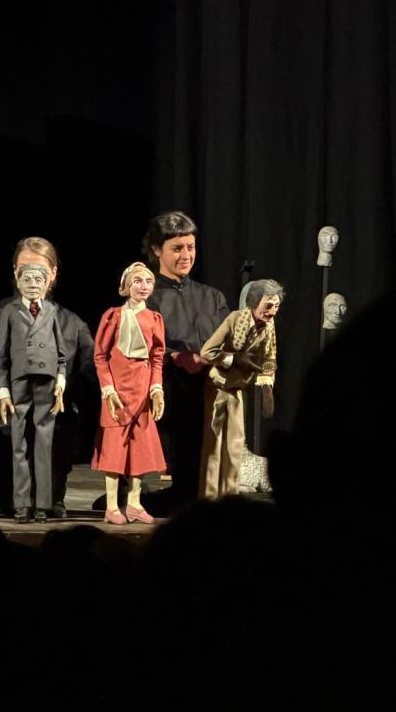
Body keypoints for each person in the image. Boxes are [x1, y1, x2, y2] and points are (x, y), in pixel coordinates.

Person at [0, 237, 93, 518]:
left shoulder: (70, 321)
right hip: (6, 418)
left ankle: (48, 495)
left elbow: (91, 367)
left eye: (41, 270)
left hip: (51, 417)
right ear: (16, 273)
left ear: (53, 274)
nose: (33, 276)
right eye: (25, 269)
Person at [141, 211, 229, 514]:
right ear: (156, 250)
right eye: (177, 248)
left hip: (209, 392)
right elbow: (136, 346)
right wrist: (174, 356)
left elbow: (228, 341)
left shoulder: (212, 297)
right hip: (169, 391)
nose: (186, 255)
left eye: (190, 247)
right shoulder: (147, 298)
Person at [91, 262, 166, 525]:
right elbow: (100, 356)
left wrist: (157, 389)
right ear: (126, 285)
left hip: (142, 391)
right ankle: (112, 506)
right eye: (137, 281)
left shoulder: (154, 318)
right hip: (117, 394)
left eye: (148, 281)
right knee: (114, 448)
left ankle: (134, 503)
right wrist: (108, 390)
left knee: (141, 448)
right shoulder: (113, 316)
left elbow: (157, 358)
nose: (143, 286)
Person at [199, 279, 282, 500]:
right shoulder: (236, 319)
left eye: (276, 306)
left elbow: (269, 357)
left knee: (235, 446)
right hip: (217, 387)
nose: (273, 311)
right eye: (268, 305)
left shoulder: (268, 326)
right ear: (254, 302)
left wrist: (266, 388)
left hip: (236, 389)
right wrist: (234, 359)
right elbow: (207, 352)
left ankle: (229, 498)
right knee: (214, 445)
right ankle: (208, 499)